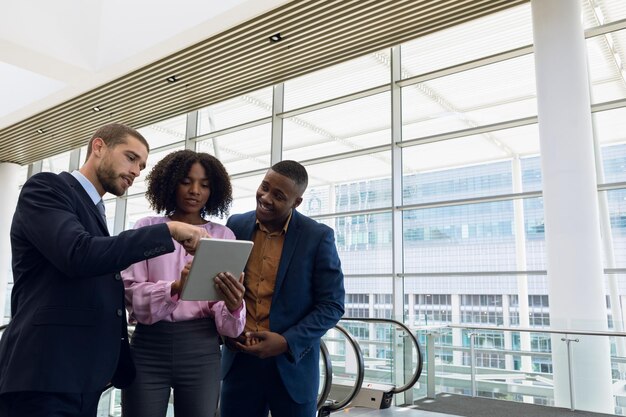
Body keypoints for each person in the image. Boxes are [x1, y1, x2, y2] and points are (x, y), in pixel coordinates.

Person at [0, 123, 209, 417]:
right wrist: (169, 231)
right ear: (99, 147)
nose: (137, 171)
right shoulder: (47, 188)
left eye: (142, 165)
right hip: (45, 374)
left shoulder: (93, 208)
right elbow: (78, 253)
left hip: (81, 377)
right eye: (131, 157)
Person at [121, 149, 246, 417]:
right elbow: (129, 293)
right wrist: (175, 288)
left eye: (204, 184)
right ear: (170, 183)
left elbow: (226, 322)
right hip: (148, 347)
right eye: (186, 181)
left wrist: (235, 306)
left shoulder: (223, 235)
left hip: (202, 348)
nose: (195, 191)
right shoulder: (147, 228)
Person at [220, 160, 345, 417]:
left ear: (296, 202)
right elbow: (221, 287)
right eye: (264, 187)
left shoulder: (317, 236)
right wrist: (226, 330)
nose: (265, 198)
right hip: (239, 361)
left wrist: (287, 342)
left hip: (291, 367)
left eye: (278, 196)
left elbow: (332, 305)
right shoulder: (235, 225)